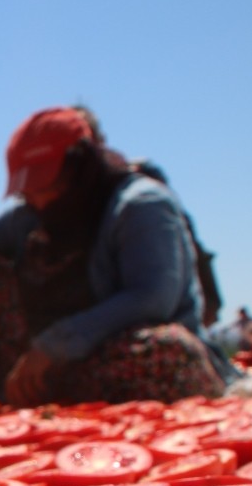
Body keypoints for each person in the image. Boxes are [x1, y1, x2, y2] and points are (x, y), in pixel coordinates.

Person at [0, 106, 241, 410]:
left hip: (110, 354)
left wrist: (54, 345)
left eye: (45, 188)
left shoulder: (141, 205)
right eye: (29, 193)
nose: (36, 201)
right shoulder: (30, 217)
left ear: (81, 168)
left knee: (167, 352)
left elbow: (152, 298)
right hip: (49, 362)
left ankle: (24, 396)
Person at [73, 105, 223, 329]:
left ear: (98, 142)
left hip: (164, 324)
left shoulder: (140, 188)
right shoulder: (72, 198)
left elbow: (184, 248)